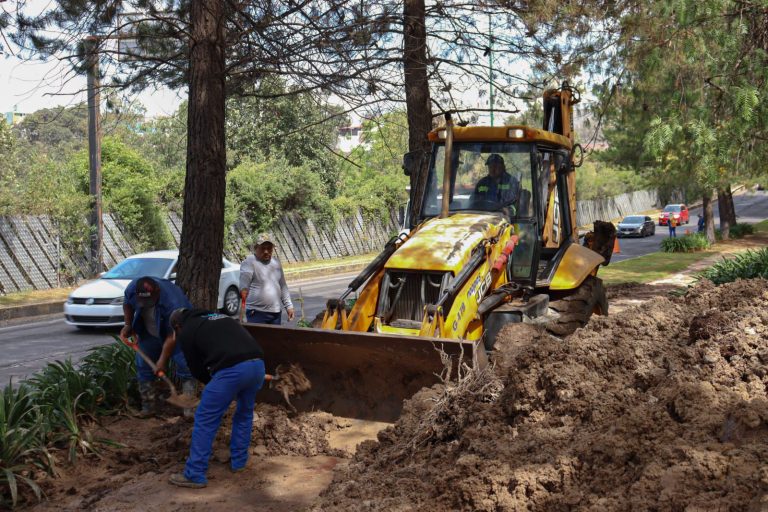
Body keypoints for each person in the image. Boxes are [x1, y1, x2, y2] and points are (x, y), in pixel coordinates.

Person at [160, 308, 266, 488]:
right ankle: (239, 462)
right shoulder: (220, 317)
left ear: (178, 326)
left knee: (205, 418)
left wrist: (214, 384)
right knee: (244, 413)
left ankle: (194, 473)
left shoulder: (187, 331)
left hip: (231, 371)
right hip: (257, 365)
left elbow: (196, 369)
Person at [120, 276, 197, 417]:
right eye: (142, 301)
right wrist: (128, 324)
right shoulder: (132, 289)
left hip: (178, 334)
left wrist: (162, 361)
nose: (146, 304)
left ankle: (189, 408)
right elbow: (127, 304)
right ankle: (148, 407)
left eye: (149, 300)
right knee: (143, 365)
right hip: (149, 333)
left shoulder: (174, 302)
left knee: (186, 365)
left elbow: (172, 335)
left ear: (158, 291)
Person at [239, 239, 294, 324]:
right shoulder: (249, 262)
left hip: (276, 313)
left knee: (274, 337)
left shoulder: (276, 262)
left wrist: (289, 306)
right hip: (256, 312)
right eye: (263, 248)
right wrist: (244, 289)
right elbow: (244, 282)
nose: (266, 251)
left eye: (269, 248)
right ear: (256, 248)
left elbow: (283, 286)